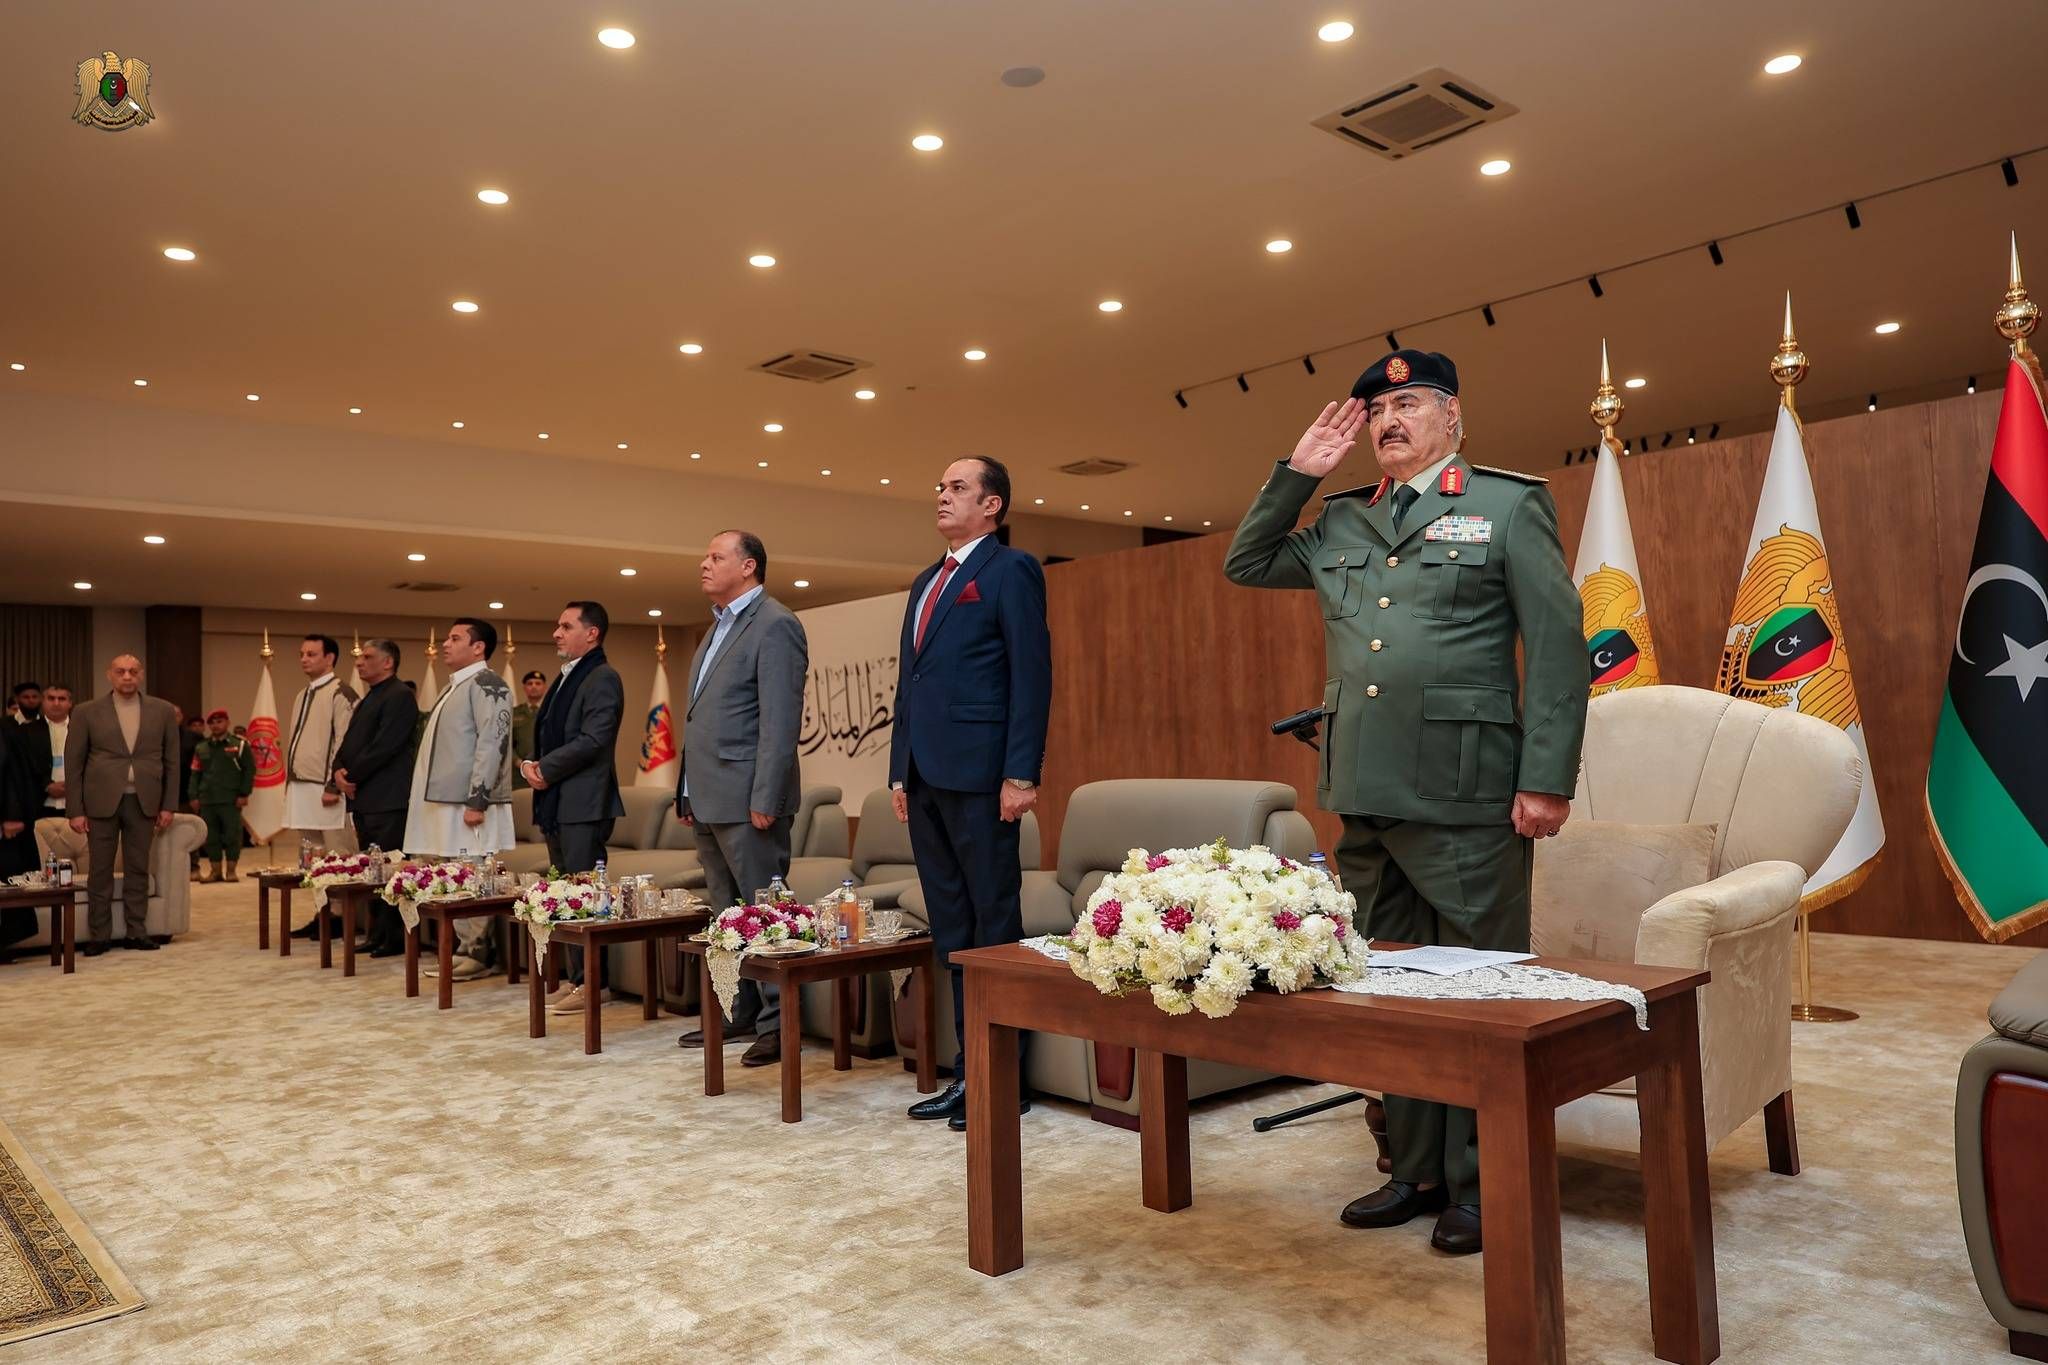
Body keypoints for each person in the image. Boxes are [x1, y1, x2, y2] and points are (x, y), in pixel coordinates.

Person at [1224, 349, 1589, 1255]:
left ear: (1452, 416)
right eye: (1378, 410)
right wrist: (1297, 475)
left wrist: (1546, 776)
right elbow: (1248, 561)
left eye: (1411, 404)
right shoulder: (1343, 517)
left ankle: (1484, 1179)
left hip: (1468, 789)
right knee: (1388, 990)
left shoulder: (1506, 504)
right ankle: (1416, 1169)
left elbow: (1555, 644)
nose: (1390, 420)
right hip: (1365, 788)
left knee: (1478, 993)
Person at [890, 458, 1052, 1131]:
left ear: (992, 505)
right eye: (940, 486)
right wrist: (899, 770)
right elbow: (911, 682)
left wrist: (1021, 773)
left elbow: (1031, 675)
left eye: (958, 487)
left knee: (993, 928)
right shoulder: (926, 581)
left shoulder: (1011, 570)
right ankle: (968, 1073)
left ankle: (1004, 1078)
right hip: (925, 777)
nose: (942, 495)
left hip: (984, 777)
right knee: (952, 932)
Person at [673, 534, 808, 1065]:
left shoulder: (775, 623)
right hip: (709, 795)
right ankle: (741, 1011)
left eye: (716, 557)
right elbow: (698, 719)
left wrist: (767, 795)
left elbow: (780, 720)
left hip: (750, 797)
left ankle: (779, 1023)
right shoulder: (717, 625)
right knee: (727, 913)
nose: (703, 564)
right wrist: (686, 789)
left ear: (748, 566)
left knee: (764, 911)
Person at [521, 603, 625, 1014]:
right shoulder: (569, 676)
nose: (556, 633)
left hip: (584, 802)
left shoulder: (603, 677)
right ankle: (578, 978)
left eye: (566, 626)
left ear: (592, 633)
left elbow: (595, 739)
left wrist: (546, 768)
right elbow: (553, 733)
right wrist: (534, 765)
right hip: (558, 802)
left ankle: (596, 984)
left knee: (586, 896)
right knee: (564, 893)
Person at [404, 618, 515, 979]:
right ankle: (465, 947)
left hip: (469, 802)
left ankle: (481, 952)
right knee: (455, 875)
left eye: (455, 638)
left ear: (478, 647)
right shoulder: (455, 685)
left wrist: (477, 799)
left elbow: (492, 742)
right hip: (446, 801)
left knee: (473, 873)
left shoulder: (488, 683)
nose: (445, 644)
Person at [65, 654, 182, 954]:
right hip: (100, 801)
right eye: (121, 671)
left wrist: (168, 805)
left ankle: (136, 932)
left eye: (133, 671)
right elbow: (74, 763)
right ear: (110, 675)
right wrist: (75, 810)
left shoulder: (163, 710)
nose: (127, 676)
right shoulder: (86, 712)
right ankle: (99, 935)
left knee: (138, 868)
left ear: (141, 675)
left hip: (145, 800)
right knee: (100, 870)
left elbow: (173, 761)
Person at [332, 638, 419, 956]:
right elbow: (349, 742)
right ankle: (377, 933)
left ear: (388, 662)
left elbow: (386, 746)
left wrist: (351, 775)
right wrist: (338, 770)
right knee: (373, 870)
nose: (359, 662)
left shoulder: (400, 696)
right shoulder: (370, 697)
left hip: (388, 799)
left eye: (368, 657)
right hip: (366, 797)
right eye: (359, 657)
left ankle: (394, 936)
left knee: (392, 870)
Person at [283, 635, 356, 926]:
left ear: (330, 658)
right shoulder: (302, 694)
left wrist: (332, 785)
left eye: (311, 654)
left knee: (338, 852)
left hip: (326, 787)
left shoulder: (341, 692)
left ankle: (342, 914)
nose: (304, 659)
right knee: (312, 855)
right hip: (302, 785)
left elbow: (345, 742)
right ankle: (323, 910)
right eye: (302, 654)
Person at [188, 710, 254, 883]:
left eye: (220, 721)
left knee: (232, 835)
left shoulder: (240, 745)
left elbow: (249, 770)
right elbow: (195, 773)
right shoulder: (202, 747)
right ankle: (215, 871)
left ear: (227, 722)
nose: (216, 725)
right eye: (212, 722)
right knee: (210, 836)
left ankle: (231, 871)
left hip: (230, 799)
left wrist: (244, 793)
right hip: (207, 799)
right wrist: (193, 795)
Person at [511, 669, 547, 788]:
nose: (534, 686)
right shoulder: (514, 713)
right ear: (524, 687)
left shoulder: (551, 712)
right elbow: (506, 743)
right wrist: (517, 761)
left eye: (538, 683)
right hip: (518, 774)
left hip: (544, 771)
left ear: (545, 687)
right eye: (530, 683)